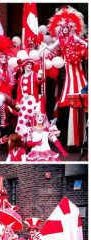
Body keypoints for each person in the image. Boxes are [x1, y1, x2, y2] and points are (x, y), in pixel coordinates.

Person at [46, 6, 88, 147]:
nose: (64, 29)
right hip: (68, 70)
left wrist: (82, 47)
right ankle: (70, 140)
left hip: (77, 69)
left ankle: (82, 138)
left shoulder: (74, 37)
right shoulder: (60, 40)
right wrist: (43, 50)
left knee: (81, 96)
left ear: (70, 27)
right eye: (62, 27)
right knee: (68, 98)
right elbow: (51, 48)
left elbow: (84, 44)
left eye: (66, 27)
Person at [14, 54, 44, 141]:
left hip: (33, 101)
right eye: (27, 64)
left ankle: (35, 140)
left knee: (33, 120)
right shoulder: (21, 77)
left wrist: (40, 76)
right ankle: (22, 140)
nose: (29, 66)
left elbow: (39, 82)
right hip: (24, 101)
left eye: (30, 64)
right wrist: (18, 102)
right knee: (22, 120)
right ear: (24, 66)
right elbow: (19, 92)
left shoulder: (34, 74)